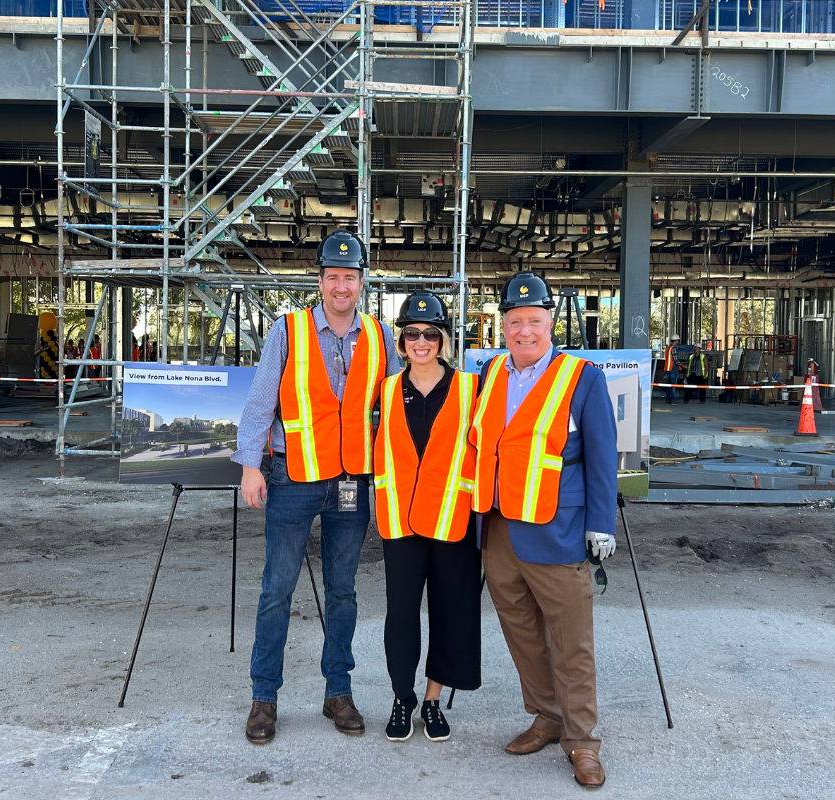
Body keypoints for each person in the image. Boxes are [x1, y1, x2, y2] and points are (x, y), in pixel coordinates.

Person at [233, 230, 399, 745]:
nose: (341, 286)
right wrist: (250, 465)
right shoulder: (289, 329)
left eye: (350, 277)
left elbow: (395, 406)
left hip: (352, 480)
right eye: (333, 277)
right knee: (276, 590)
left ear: (362, 281)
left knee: (343, 591)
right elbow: (261, 399)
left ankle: (338, 691)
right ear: (320, 280)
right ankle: (264, 699)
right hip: (292, 477)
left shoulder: (380, 335)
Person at [469, 272, 617, 789]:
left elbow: (601, 458)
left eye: (534, 321)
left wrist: (602, 524)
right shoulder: (490, 374)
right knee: (523, 635)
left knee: (571, 641)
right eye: (514, 322)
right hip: (500, 529)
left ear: (551, 322)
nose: (524, 331)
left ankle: (583, 742)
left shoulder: (583, 378)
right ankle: (547, 716)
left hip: (558, 531)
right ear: (502, 325)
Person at [373, 291, 481, 744]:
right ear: (401, 342)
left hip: (452, 522)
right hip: (400, 522)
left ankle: (433, 699)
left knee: (450, 612)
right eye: (412, 333)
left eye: (430, 334)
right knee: (401, 616)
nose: (421, 341)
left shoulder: (470, 389)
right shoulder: (385, 389)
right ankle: (403, 697)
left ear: (443, 340)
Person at [663, 334, 681, 404]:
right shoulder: (674, 349)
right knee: (673, 384)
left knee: (669, 384)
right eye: (678, 341)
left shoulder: (668, 348)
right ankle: (673, 400)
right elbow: (676, 360)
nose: (678, 342)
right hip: (673, 368)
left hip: (668, 368)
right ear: (676, 340)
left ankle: (668, 399)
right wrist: (683, 365)